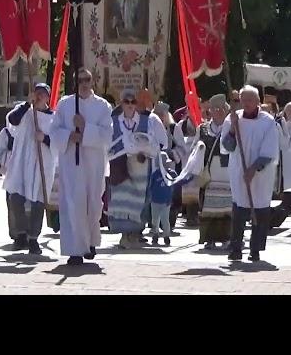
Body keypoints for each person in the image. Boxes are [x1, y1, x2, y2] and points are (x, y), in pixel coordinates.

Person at [50, 68, 113, 266]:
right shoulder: (65, 104)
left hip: (93, 162)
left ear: (92, 81)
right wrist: (70, 136)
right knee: (73, 204)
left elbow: (106, 135)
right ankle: (75, 249)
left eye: (87, 80)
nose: (84, 84)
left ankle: (91, 241)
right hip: (71, 162)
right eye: (80, 81)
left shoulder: (103, 106)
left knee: (93, 205)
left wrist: (85, 128)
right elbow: (54, 130)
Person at [222, 85, 279, 262]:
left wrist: (254, 169)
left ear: (257, 102)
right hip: (239, 170)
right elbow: (227, 147)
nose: (245, 103)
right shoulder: (233, 119)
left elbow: (270, 150)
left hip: (261, 174)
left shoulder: (268, 122)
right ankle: (236, 248)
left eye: (249, 100)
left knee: (260, 211)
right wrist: (232, 129)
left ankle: (255, 249)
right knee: (239, 210)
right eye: (242, 100)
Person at [4, 83, 57, 255]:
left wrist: (45, 138)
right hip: (22, 160)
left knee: (38, 201)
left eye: (43, 94)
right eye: (37, 93)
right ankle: (20, 234)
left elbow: (59, 141)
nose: (40, 96)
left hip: (42, 162)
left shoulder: (54, 117)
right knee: (16, 197)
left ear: (48, 97)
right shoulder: (25, 111)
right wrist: (28, 104)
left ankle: (33, 238)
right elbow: (12, 121)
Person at [107, 88, 165, 249]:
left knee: (139, 200)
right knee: (121, 200)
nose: (131, 105)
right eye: (127, 102)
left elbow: (158, 142)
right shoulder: (113, 121)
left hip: (140, 166)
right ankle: (125, 235)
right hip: (120, 166)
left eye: (133, 102)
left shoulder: (147, 121)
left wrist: (146, 150)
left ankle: (134, 234)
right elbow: (107, 143)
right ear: (121, 104)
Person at [198, 94, 232, 250]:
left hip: (227, 171)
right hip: (209, 173)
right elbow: (195, 150)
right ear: (209, 111)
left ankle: (227, 237)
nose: (217, 112)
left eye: (221, 109)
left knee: (227, 206)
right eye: (214, 109)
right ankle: (209, 238)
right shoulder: (203, 129)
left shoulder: (232, 127)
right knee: (209, 206)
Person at [172, 113, 201, 226]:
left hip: (196, 160)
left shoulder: (201, 123)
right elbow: (179, 141)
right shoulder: (181, 124)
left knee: (195, 191)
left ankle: (193, 215)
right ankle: (188, 215)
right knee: (186, 191)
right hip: (185, 161)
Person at [0, 120, 16, 241]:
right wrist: (9, 159)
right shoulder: (6, 132)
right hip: (12, 175)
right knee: (13, 204)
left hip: (30, 174)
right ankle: (16, 233)